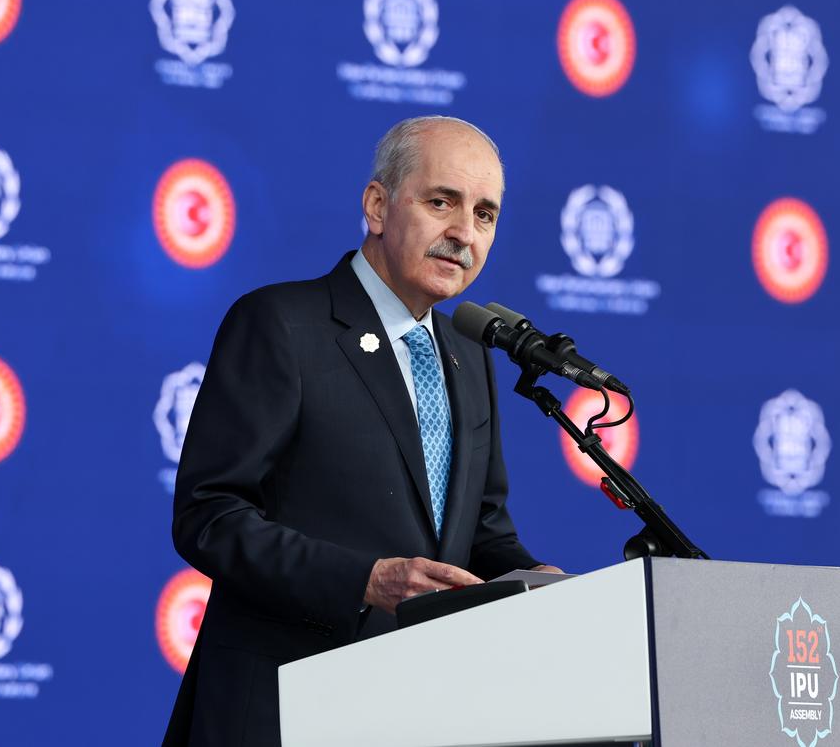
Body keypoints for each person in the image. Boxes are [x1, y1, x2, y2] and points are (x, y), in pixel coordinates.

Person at [163, 116, 559, 746]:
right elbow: (209, 515)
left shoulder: (467, 356)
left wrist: (539, 584)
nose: (463, 233)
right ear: (377, 205)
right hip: (282, 708)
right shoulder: (283, 324)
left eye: (485, 215)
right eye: (441, 202)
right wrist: (363, 580)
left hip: (417, 712)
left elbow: (480, 531)